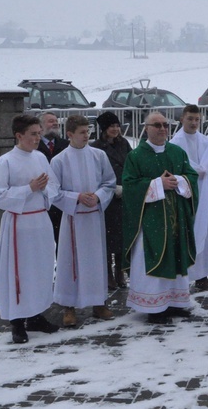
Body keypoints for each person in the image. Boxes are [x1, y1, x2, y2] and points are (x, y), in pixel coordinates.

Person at [0, 114, 61, 344]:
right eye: (33, 134)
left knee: (40, 270)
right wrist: (28, 189)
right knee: (19, 273)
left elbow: (54, 185)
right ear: (19, 135)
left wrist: (44, 190)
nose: (38, 138)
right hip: (19, 224)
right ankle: (17, 322)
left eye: (39, 133)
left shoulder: (40, 158)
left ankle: (36, 314)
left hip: (40, 221)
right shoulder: (6, 161)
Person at [123, 112, 199, 324]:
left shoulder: (177, 152)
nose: (163, 128)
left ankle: (176, 302)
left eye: (165, 124)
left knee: (176, 257)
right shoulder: (136, 156)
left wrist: (180, 181)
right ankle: (154, 306)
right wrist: (158, 184)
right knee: (154, 258)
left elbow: (191, 176)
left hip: (176, 217)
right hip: (151, 220)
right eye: (157, 125)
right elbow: (129, 186)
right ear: (146, 128)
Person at [51, 115, 116, 327]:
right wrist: (77, 197)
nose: (86, 136)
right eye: (82, 132)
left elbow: (109, 182)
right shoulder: (59, 160)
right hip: (73, 218)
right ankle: (69, 307)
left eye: (88, 132)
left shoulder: (99, 155)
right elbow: (54, 192)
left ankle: (98, 302)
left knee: (96, 260)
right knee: (71, 262)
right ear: (69, 134)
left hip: (94, 217)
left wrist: (97, 196)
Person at [170, 104, 208, 292]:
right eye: (190, 119)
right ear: (182, 119)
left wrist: (205, 172)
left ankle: (202, 276)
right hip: (185, 193)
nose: (193, 123)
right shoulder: (176, 142)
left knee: (204, 234)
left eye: (197, 119)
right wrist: (194, 170)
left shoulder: (205, 141)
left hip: (203, 190)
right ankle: (184, 274)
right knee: (187, 233)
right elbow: (177, 165)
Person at [91, 111, 132, 290]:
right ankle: (107, 274)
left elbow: (131, 163)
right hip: (107, 198)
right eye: (111, 127)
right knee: (108, 238)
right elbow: (95, 172)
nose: (115, 129)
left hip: (124, 195)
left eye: (117, 126)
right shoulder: (96, 147)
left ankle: (120, 272)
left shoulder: (124, 143)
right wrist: (110, 188)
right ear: (104, 129)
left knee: (122, 237)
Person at [37, 111, 69, 244]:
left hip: (62, 199)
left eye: (56, 121)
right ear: (41, 126)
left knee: (62, 240)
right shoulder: (34, 146)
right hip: (42, 199)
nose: (55, 123)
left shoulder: (66, 144)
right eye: (50, 121)